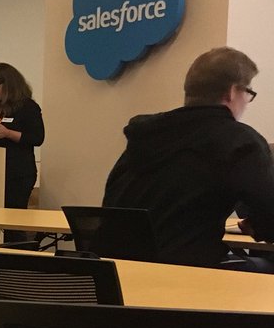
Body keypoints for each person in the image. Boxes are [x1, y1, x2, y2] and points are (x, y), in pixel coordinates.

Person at [103, 46, 274, 268]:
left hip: (121, 275)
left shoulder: (144, 136)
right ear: (232, 92)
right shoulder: (238, 140)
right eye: (248, 93)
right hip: (189, 277)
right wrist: (259, 227)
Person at [0, 63, 45, 210]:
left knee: (13, 223)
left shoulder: (28, 107)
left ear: (9, 84)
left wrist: (8, 133)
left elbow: (37, 138)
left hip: (19, 174)